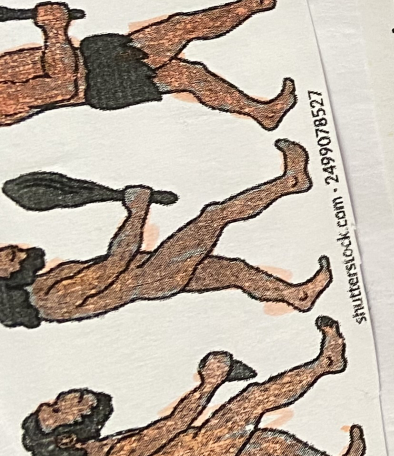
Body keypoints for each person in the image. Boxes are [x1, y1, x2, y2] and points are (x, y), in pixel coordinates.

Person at [0, 138, 329, 326]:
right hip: (153, 275)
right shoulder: (50, 298)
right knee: (214, 217)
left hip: (150, 273)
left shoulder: (42, 288)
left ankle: (295, 296)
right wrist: (138, 211)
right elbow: (114, 265)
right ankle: (290, 182)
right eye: (5, 259)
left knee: (234, 272)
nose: (6, 251)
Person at [22, 315, 366, 456]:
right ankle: (326, 363)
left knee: (273, 444)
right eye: (56, 410)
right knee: (253, 399)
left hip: (198, 454)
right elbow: (173, 426)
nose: (61, 400)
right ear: (67, 438)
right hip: (204, 446)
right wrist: (210, 382)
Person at [0, 0, 295, 129]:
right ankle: (254, 4)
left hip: (92, 60)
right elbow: (62, 86)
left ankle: (261, 113)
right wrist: (54, 29)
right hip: (101, 80)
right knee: (180, 31)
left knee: (191, 75)